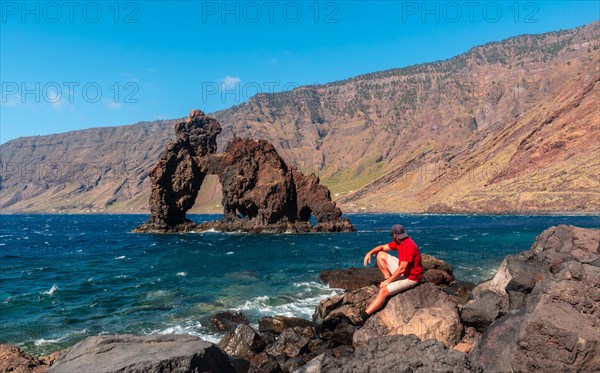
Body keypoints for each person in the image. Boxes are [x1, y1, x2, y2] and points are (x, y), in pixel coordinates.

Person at [360, 224, 423, 320]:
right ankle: (388, 279)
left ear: (394, 235)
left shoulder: (408, 245)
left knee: (383, 291)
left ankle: (365, 315)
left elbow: (402, 268)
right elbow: (382, 247)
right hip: (405, 271)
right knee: (380, 255)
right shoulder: (399, 241)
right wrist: (370, 253)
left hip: (411, 278)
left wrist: (388, 282)